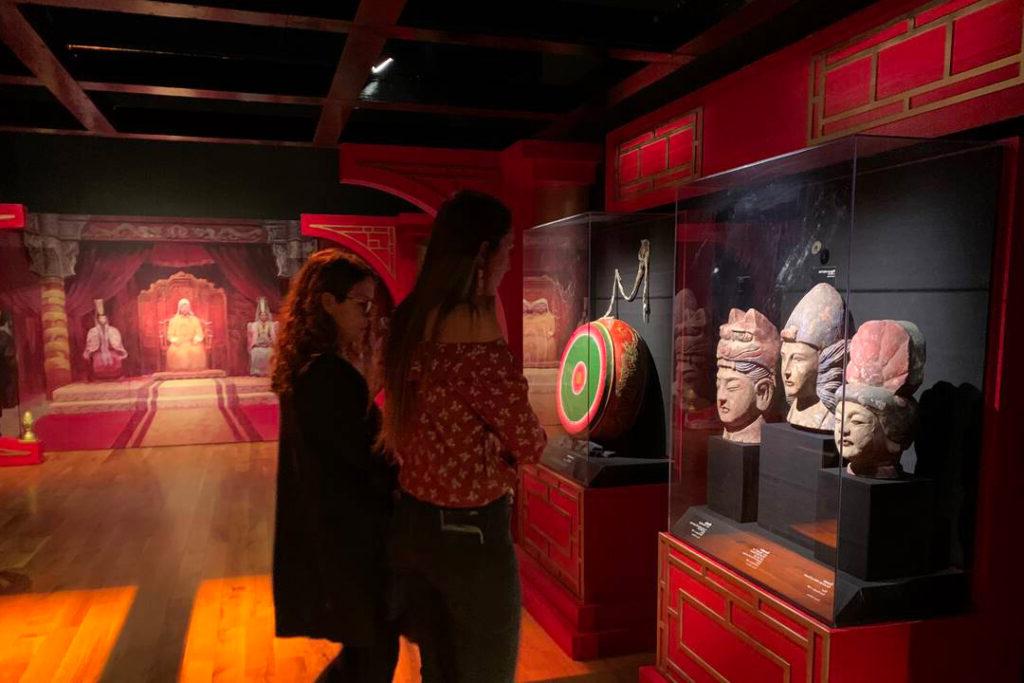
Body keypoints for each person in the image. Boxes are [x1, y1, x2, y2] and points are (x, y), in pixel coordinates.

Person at [381, 190, 547, 682]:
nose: (511, 260)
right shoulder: (475, 331)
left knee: (440, 671)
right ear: (483, 254)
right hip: (471, 536)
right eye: (508, 249)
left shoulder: (410, 318)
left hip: (412, 523)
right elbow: (529, 441)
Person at [271, 249, 398, 682]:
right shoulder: (326, 374)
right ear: (328, 303)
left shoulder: (311, 368)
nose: (367, 315)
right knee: (372, 656)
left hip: (333, 530)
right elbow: (365, 458)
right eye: (360, 305)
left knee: (365, 653)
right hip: (350, 537)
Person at [83, 300, 128, 380]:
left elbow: (117, 342)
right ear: (97, 319)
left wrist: (110, 342)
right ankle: (99, 377)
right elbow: (91, 344)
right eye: (100, 318)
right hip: (99, 352)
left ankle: (115, 375)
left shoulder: (113, 330)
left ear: (107, 319)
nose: (102, 320)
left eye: (104, 318)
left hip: (111, 351)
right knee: (98, 359)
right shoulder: (93, 331)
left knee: (114, 357)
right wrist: (99, 341)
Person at [166, 297, 207, 371]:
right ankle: (180, 371)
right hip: (179, 342)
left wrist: (196, 339)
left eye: (187, 307)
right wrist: (175, 340)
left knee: (196, 351)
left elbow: (199, 332)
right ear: (179, 308)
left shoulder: (194, 319)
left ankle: (194, 371)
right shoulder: (174, 320)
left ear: (189, 308)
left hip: (192, 342)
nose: (185, 309)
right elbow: (170, 334)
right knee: (177, 353)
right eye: (183, 307)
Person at [247, 297, 278, 377]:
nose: (263, 316)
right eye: (262, 315)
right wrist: (256, 343)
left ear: (267, 316)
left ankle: (268, 371)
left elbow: (272, 336)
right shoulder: (254, 325)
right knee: (256, 352)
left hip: (268, 345)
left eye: (265, 315)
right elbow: (253, 337)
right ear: (259, 316)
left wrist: (271, 343)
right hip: (258, 344)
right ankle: (256, 372)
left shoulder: (271, 324)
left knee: (270, 352)